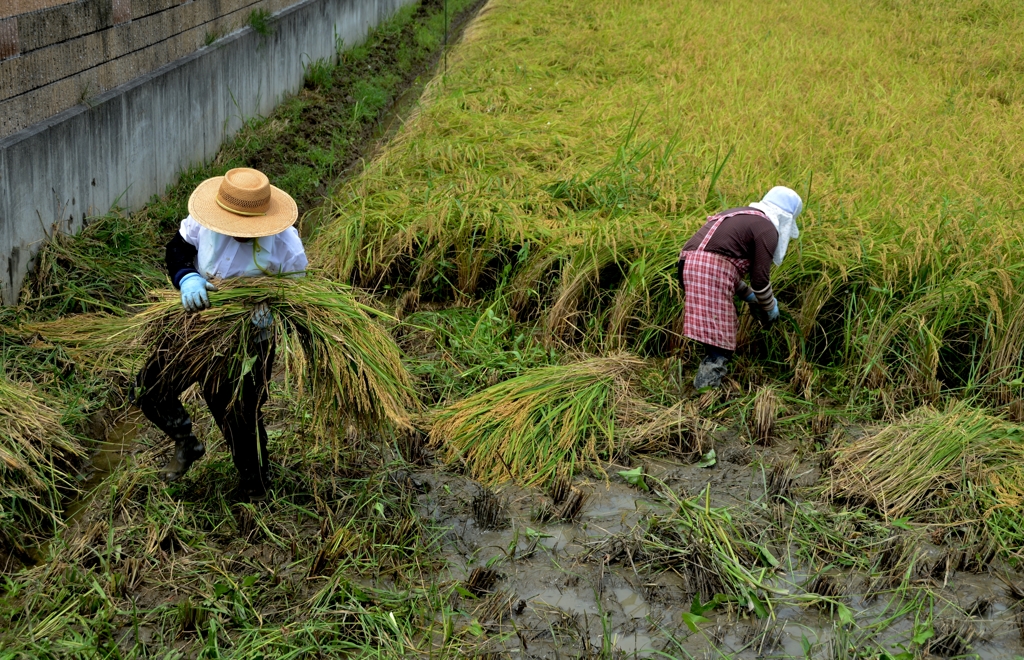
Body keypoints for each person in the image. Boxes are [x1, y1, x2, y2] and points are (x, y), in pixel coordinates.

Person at [134, 168, 308, 500]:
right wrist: (187, 277)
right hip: (196, 323)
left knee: (238, 413)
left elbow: (296, 295)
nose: (239, 233)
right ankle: (186, 442)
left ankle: (254, 483)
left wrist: (269, 310)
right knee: (149, 388)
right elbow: (178, 249)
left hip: (248, 339)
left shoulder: (287, 246)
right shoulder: (205, 219)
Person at [676, 186, 802, 389]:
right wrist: (769, 309)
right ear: (786, 218)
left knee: (714, 329)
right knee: (720, 342)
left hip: (687, 265)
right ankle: (705, 394)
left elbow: (724, 267)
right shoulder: (767, 228)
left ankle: (705, 384)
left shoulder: (737, 213)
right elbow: (759, 280)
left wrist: (750, 297)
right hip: (708, 270)